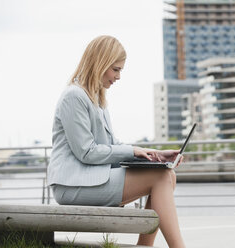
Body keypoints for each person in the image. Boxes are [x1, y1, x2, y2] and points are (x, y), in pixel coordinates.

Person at [47, 35, 186, 247]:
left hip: (89, 179)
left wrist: (154, 154)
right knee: (162, 177)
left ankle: (146, 246)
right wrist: (133, 151)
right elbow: (87, 152)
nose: (119, 76)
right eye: (116, 69)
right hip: (72, 185)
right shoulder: (74, 97)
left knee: (168, 175)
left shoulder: (96, 99)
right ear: (100, 63)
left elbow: (112, 143)